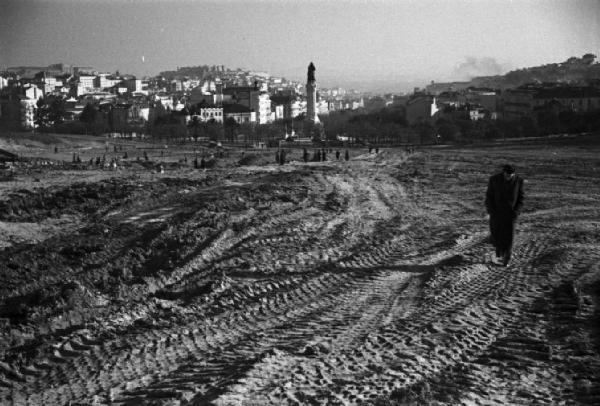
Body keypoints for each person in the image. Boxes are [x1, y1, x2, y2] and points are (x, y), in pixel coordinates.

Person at [485, 164, 524, 267]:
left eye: (511, 175)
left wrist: (516, 212)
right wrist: (491, 211)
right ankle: (499, 253)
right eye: (507, 174)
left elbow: (521, 198)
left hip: (510, 214)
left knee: (509, 237)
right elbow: (489, 197)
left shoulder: (519, 181)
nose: (509, 176)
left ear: (514, 173)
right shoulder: (494, 179)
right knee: (496, 235)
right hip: (496, 213)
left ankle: (507, 258)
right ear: (503, 172)